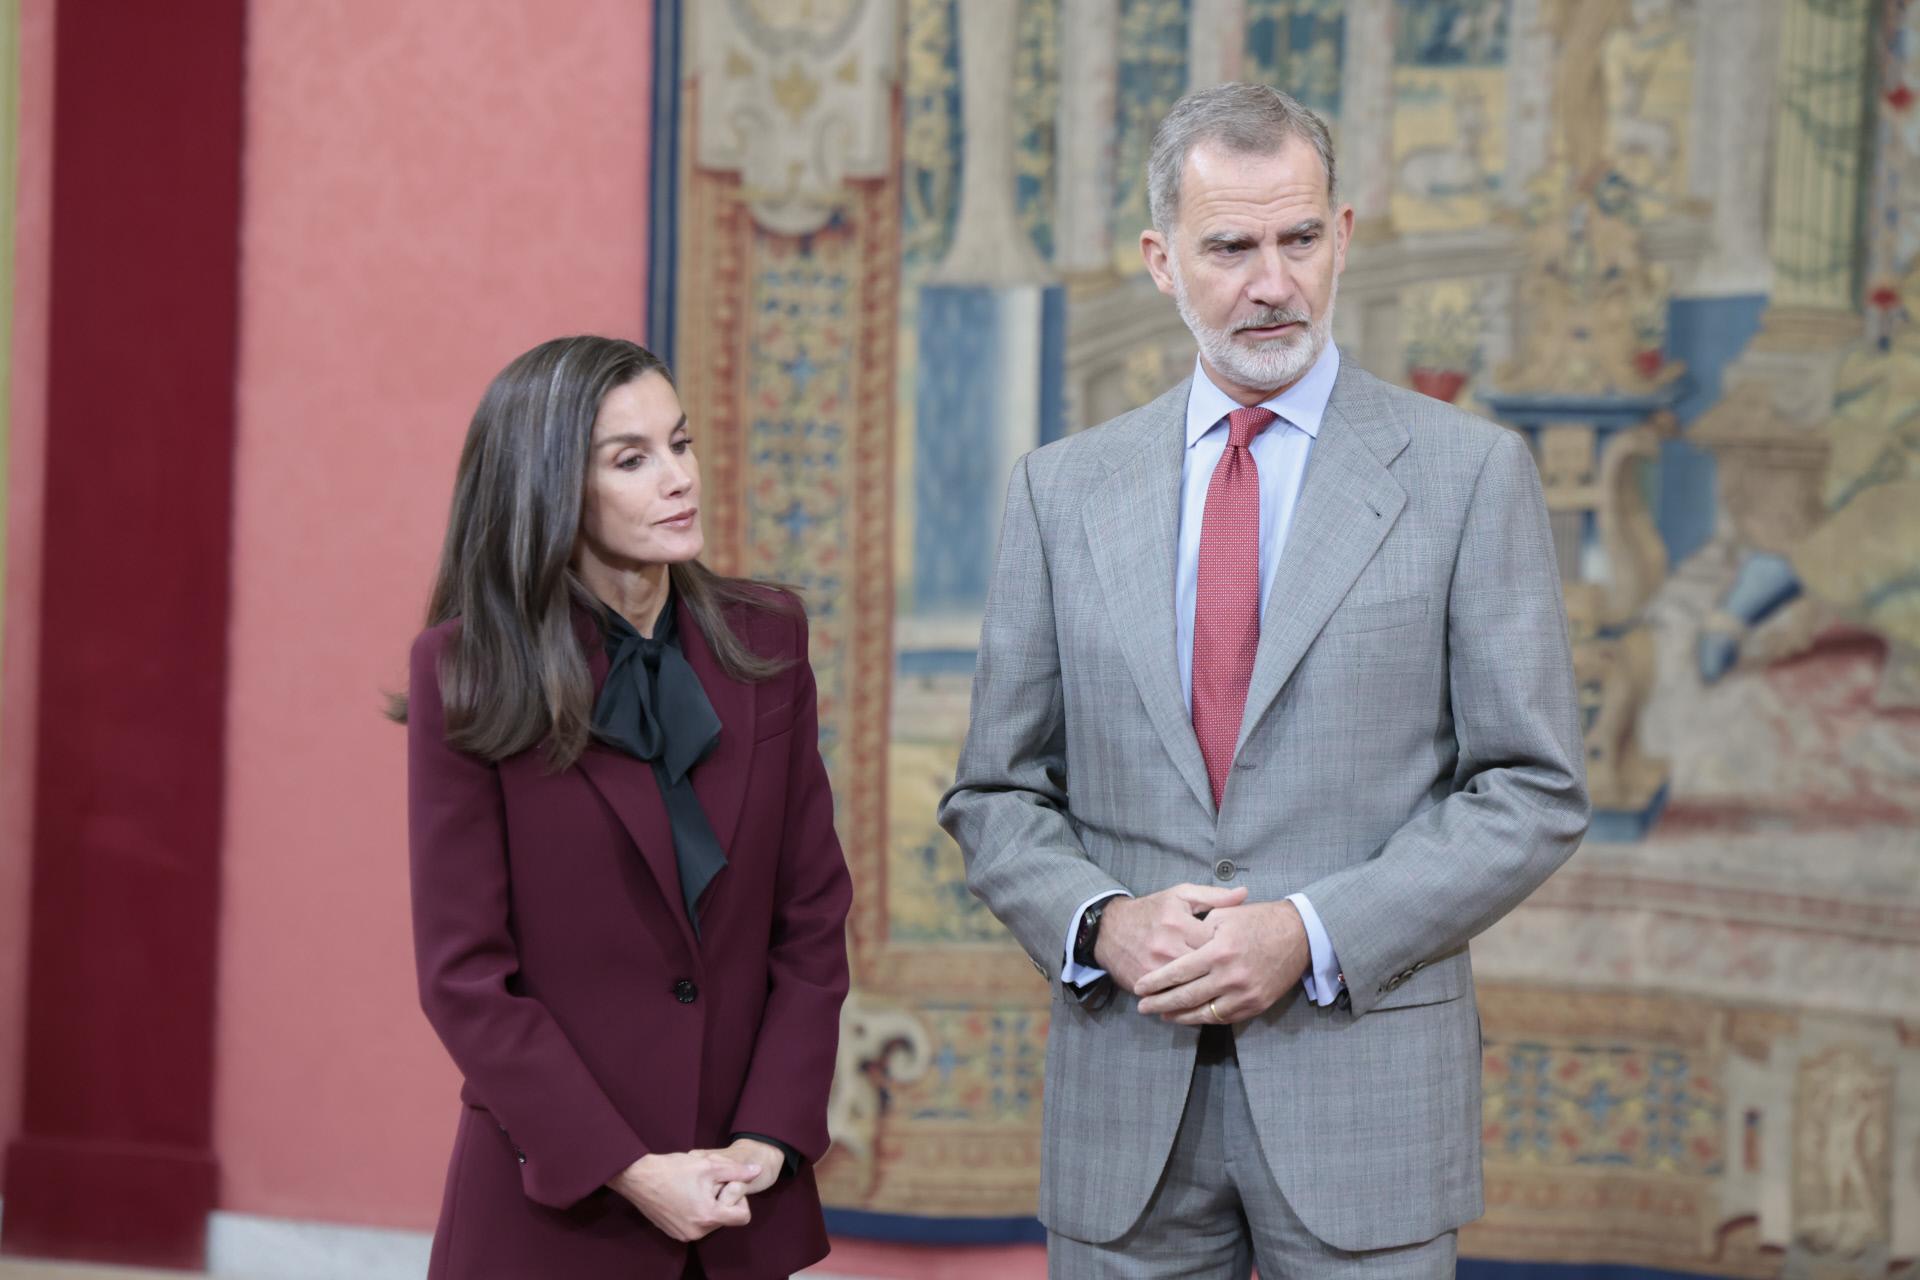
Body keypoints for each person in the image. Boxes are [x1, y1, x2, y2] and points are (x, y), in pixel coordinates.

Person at [939, 83, 1589, 1278]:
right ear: (1161, 260)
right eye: (1230, 247)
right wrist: (1104, 921)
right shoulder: (1061, 490)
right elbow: (994, 792)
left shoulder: (1469, 476)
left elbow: (1533, 786)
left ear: (1343, 236)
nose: (1271, 282)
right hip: (1125, 1100)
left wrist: (1313, 930)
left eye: (1298, 240)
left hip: (1366, 1106)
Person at [397, 336, 852, 1278]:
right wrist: (627, 1167)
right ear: (550, 485)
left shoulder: (767, 639)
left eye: (679, 444)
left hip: (740, 1201)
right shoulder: (467, 674)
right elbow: (466, 977)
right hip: (555, 1205)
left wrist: (770, 1134)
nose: (678, 478)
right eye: (632, 459)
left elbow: (811, 919)